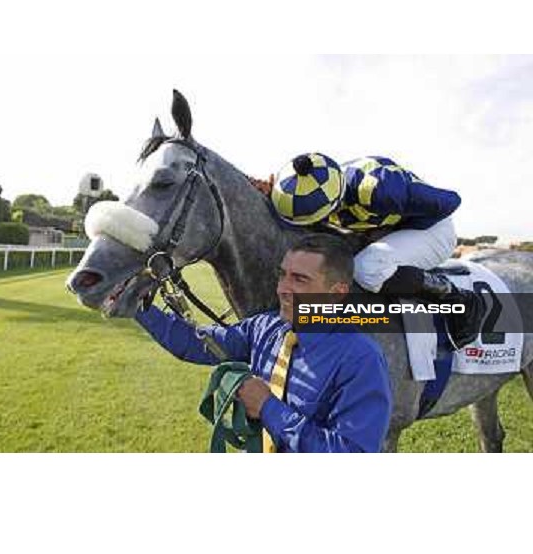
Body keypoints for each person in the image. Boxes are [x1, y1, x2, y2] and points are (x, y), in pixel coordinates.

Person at [134, 234, 393, 453]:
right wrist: (137, 304)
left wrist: (269, 408)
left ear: (336, 294)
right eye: (283, 275)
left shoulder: (361, 359)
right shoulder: (265, 328)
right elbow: (197, 343)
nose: (283, 288)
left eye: (300, 279)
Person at [269, 153, 485, 350]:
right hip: (390, 227)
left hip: (433, 229)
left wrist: (390, 227)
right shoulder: (309, 183)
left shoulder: (379, 189)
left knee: (367, 268)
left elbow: (450, 201)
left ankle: (455, 296)